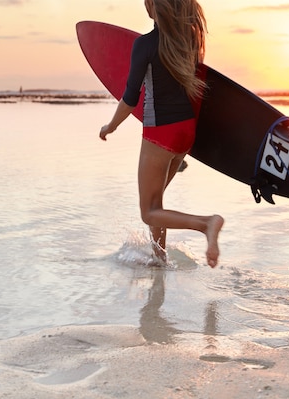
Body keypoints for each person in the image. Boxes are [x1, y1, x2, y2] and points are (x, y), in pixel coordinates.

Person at [99, 0, 224, 268]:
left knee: (148, 212)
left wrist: (110, 125)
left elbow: (131, 97)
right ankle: (160, 260)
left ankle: (206, 224)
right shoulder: (187, 40)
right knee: (157, 205)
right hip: (185, 133)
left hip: (160, 134)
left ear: (154, 5)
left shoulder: (145, 45)